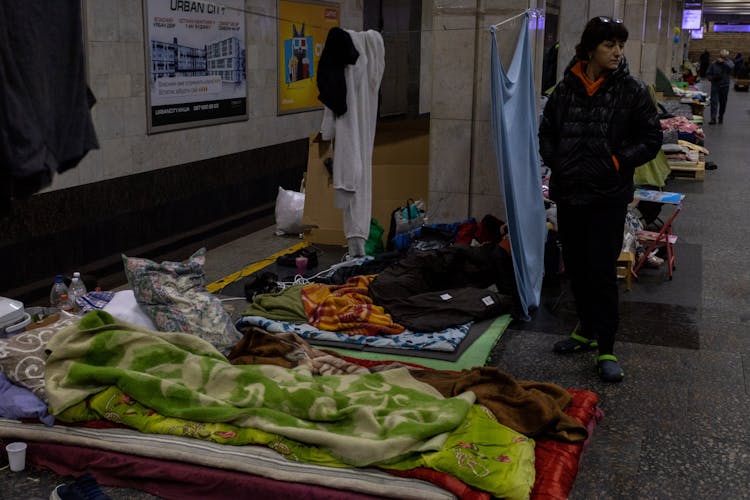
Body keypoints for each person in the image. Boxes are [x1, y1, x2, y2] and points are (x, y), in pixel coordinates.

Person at [538, 16, 662, 382]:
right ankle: (585, 331)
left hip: (607, 197)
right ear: (590, 48)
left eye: (620, 46)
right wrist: (557, 159)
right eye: (610, 45)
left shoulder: (632, 90)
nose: (617, 52)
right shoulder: (565, 89)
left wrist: (616, 160)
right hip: (570, 194)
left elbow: (651, 138)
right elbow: (546, 132)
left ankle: (606, 346)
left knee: (602, 272)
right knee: (575, 267)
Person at [705, 49, 734, 124]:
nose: (723, 58)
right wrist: (711, 78)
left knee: (723, 102)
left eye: (725, 57)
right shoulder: (714, 64)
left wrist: (723, 62)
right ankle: (713, 118)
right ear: (719, 56)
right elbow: (708, 73)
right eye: (722, 56)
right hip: (715, 85)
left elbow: (731, 67)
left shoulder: (729, 62)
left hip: (725, 86)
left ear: (726, 57)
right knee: (714, 102)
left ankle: (721, 116)